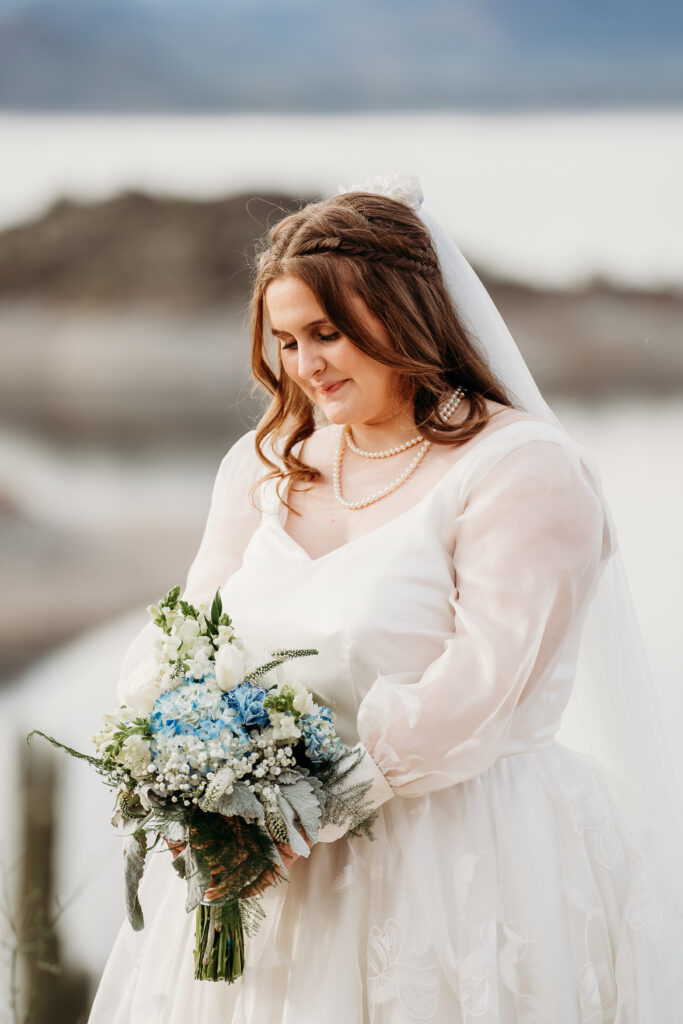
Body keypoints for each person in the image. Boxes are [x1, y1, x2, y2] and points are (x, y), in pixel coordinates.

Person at [87, 177, 683, 1023]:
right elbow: (185, 636)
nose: (305, 367)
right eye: (287, 341)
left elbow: (479, 689)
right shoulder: (262, 464)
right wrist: (185, 776)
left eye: (326, 333)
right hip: (268, 886)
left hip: (455, 869)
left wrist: (296, 815)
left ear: (403, 314)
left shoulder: (521, 471)